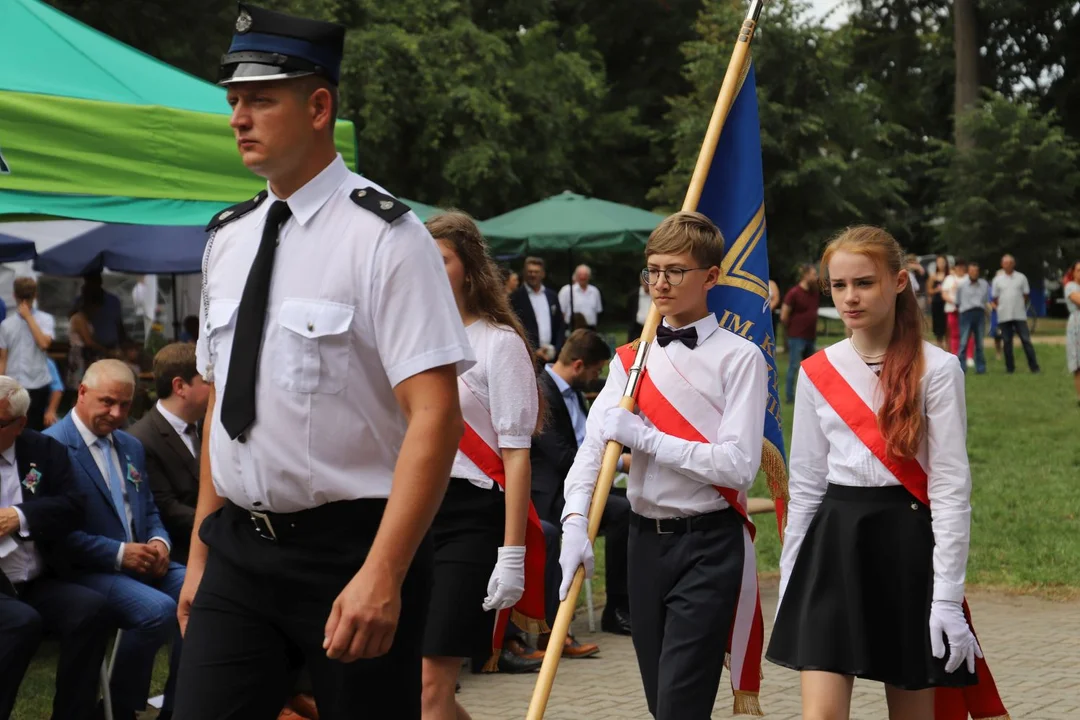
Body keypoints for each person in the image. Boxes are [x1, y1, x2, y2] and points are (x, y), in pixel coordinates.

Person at [172, 6, 474, 720]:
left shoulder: (385, 238)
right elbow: (223, 405)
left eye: (260, 99)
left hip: (352, 548)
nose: (239, 118)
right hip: (239, 548)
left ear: (318, 106)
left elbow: (435, 414)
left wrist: (385, 571)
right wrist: (200, 555)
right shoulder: (228, 238)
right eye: (234, 101)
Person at [766, 226, 996, 719]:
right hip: (832, 545)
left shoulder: (937, 369)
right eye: (839, 285)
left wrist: (948, 599)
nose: (850, 297)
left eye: (864, 283)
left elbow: (952, 490)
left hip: (906, 543)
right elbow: (805, 487)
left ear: (898, 282)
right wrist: (791, 579)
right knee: (821, 715)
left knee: (912, 715)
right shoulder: (815, 370)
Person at [558, 211, 768, 719]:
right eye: (652, 270)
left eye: (675, 270)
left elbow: (737, 467)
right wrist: (573, 522)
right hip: (642, 543)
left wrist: (650, 440)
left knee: (680, 705)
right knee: (661, 701)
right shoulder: (632, 359)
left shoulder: (741, 358)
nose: (660, 282)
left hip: (708, 543)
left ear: (711, 277)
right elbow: (594, 449)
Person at [421, 212, 544, 720]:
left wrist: (511, 553)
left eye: (441, 259)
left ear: (469, 269)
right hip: (410, 513)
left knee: (431, 687)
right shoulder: (407, 339)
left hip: (471, 518)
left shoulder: (499, 343)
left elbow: (515, 456)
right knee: (419, 690)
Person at [45, 359, 185, 720]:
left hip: (140, 560)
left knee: (201, 593)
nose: (117, 413)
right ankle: (120, 709)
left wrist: (159, 543)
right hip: (85, 570)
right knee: (157, 611)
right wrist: (119, 553)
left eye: (125, 405)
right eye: (107, 402)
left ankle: (180, 706)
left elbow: (149, 508)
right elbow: (53, 534)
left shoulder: (129, 444)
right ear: (82, 393)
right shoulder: (51, 448)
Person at [0, 376, 115, 720]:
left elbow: (73, 506)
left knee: (91, 608)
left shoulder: (44, 451)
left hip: (36, 578)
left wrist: (20, 516)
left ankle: (72, 715)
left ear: (20, 424)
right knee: (22, 621)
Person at [530, 328, 631, 638]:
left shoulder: (571, 392)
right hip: (551, 493)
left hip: (578, 483)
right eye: (595, 370)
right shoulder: (540, 392)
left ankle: (627, 602)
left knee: (635, 502)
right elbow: (563, 457)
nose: (595, 377)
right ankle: (614, 608)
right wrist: (620, 462)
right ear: (578, 365)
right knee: (623, 512)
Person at [129, 343, 211, 565]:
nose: (215, 386)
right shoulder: (141, 439)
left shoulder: (208, 425)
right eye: (207, 380)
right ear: (180, 387)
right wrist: (222, 524)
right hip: (183, 551)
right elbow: (166, 507)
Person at [0, 278, 55, 430]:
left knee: (35, 429)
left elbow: (44, 344)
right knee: (13, 428)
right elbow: (3, 359)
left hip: (38, 384)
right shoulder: (6, 325)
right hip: (14, 385)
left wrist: (28, 317)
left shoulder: (45, 319)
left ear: (13, 295)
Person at [509, 256, 565, 369]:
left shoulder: (552, 296)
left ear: (543, 274)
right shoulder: (515, 298)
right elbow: (513, 328)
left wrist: (556, 348)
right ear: (524, 273)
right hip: (528, 358)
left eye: (536, 272)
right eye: (530, 272)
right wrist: (533, 351)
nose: (533, 275)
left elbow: (560, 325)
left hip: (551, 358)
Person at [991, 254, 1040, 374]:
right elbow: (995, 297)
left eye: (1010, 263)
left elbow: (1026, 294)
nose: (1007, 265)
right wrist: (1001, 307)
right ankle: (1010, 368)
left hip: (1019, 315)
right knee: (1007, 342)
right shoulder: (997, 280)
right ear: (1002, 264)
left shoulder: (1021, 278)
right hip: (1004, 315)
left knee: (1026, 340)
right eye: (1005, 263)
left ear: (1013, 264)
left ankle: (1034, 367)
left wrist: (1019, 304)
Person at [781, 263, 820, 404]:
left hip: (811, 336)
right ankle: (790, 397)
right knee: (794, 366)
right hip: (797, 337)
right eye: (813, 274)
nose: (816, 277)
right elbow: (784, 315)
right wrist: (793, 329)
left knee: (812, 369)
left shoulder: (814, 292)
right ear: (805, 275)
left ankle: (810, 398)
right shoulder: (794, 293)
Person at [956, 261, 990, 374]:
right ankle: (961, 368)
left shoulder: (984, 284)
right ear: (968, 272)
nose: (974, 273)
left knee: (979, 342)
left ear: (978, 272)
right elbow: (958, 301)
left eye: (976, 271)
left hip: (979, 313)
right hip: (966, 314)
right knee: (963, 342)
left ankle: (981, 368)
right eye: (971, 271)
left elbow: (985, 300)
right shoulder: (962, 285)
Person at [558, 264, 603, 329]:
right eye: (580, 275)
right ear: (576, 276)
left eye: (585, 275)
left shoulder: (595, 291)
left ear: (589, 276)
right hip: (572, 329)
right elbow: (561, 312)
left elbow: (597, 312)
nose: (582, 277)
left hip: (590, 329)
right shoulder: (567, 290)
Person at [1064, 260, 1080, 405]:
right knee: (1078, 364)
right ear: (1073, 272)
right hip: (1077, 325)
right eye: (1079, 270)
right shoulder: (1070, 286)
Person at [928, 255, 950, 350]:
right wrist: (936, 290)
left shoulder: (949, 276)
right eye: (939, 262)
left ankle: (949, 347)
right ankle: (940, 347)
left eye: (943, 262)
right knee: (938, 327)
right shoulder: (933, 277)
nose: (941, 264)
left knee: (948, 325)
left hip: (947, 303)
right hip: (937, 303)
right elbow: (929, 290)